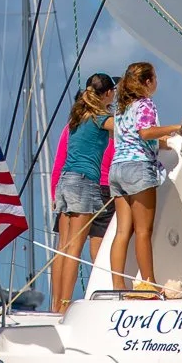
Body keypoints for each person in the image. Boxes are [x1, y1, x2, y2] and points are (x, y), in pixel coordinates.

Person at [109, 62, 182, 291]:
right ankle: (148, 284)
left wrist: (165, 142)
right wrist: (175, 127)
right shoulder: (145, 104)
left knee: (123, 231)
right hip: (138, 168)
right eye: (155, 78)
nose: (157, 82)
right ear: (147, 82)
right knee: (143, 231)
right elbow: (146, 132)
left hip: (117, 168)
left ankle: (118, 286)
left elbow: (136, 137)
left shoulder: (121, 109)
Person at [53, 72, 116, 311]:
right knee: (74, 250)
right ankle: (64, 306)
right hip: (83, 182)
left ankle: (56, 306)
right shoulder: (101, 117)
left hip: (65, 181)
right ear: (108, 93)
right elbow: (129, 131)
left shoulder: (78, 117)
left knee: (63, 248)